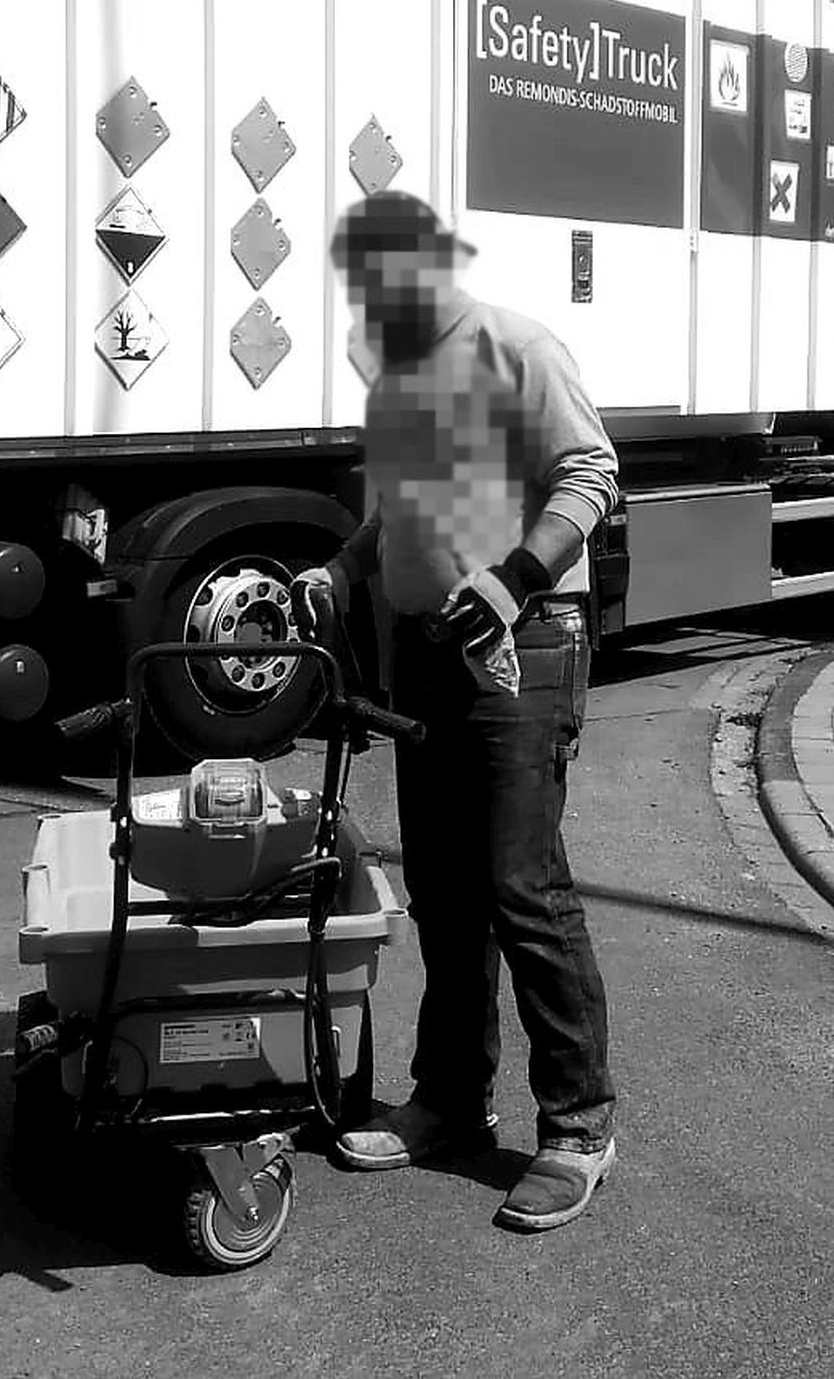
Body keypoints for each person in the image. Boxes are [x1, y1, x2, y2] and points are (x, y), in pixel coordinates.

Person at [303, 191, 621, 1234]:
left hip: (519, 648)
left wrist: (515, 576)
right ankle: (452, 1099)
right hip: (422, 659)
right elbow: (397, 511)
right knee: (441, 888)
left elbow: (590, 474)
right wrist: (341, 569)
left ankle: (577, 1126)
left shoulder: (519, 347)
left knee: (520, 885)